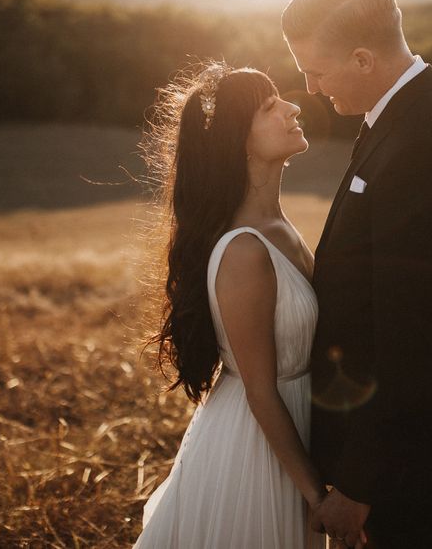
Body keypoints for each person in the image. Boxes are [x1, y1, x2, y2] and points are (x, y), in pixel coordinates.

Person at [282, 0, 432, 548]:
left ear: (362, 59)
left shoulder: (421, 142)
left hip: (390, 454)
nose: (309, 88)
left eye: (316, 71)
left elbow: (411, 331)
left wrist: (358, 484)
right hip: (379, 442)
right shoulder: (403, 112)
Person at [134, 62, 326, 548]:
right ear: (239, 140)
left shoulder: (280, 229)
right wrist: (317, 497)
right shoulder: (243, 251)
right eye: (269, 106)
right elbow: (261, 392)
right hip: (259, 452)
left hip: (298, 430)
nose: (292, 105)